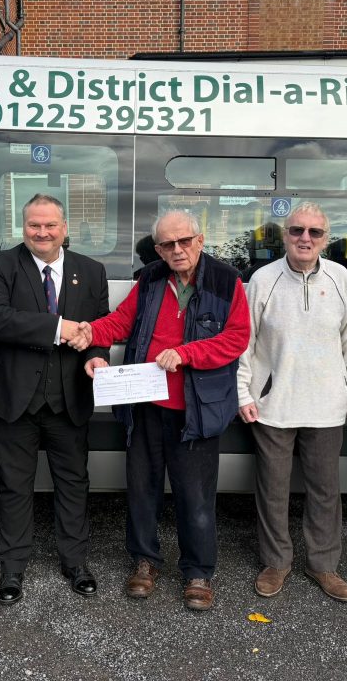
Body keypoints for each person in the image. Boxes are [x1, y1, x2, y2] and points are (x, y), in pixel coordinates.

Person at [77, 210, 250, 611]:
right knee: (142, 490)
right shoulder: (151, 278)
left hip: (196, 410)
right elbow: (120, 322)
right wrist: (88, 333)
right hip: (145, 405)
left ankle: (198, 571)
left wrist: (188, 353)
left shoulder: (227, 281)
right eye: (168, 244)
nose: (177, 250)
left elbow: (236, 339)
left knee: (196, 497)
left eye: (184, 241)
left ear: (200, 240)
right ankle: (145, 561)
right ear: (158, 250)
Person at [0, 195, 110, 605]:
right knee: (14, 485)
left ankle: (75, 562)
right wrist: (59, 327)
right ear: (24, 227)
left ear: (64, 228)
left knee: (74, 483)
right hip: (14, 398)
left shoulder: (92, 271)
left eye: (50, 225)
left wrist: (96, 354)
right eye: (34, 225)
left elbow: (99, 328)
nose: (42, 232)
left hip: (69, 398)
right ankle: (12, 566)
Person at [237, 202, 347, 603]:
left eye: (314, 232)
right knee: (272, 490)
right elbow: (244, 342)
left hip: (327, 405)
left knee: (325, 490)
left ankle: (323, 565)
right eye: (296, 230)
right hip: (273, 405)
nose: (305, 238)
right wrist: (243, 393)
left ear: (326, 238)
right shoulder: (263, 279)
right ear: (285, 236)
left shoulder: (340, 278)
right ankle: (276, 562)